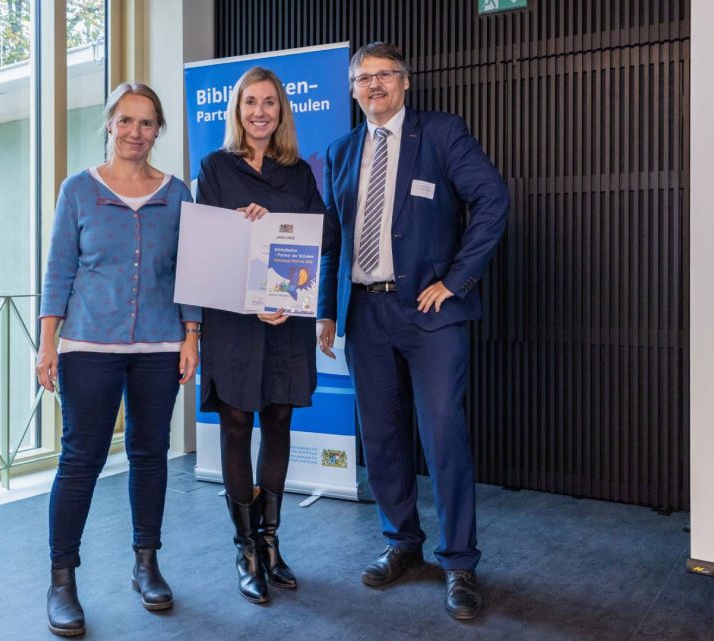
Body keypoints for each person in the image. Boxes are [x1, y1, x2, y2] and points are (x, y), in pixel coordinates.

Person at [316, 42, 509, 621]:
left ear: (404, 82)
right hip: (365, 314)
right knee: (381, 435)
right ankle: (402, 543)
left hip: (431, 316)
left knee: (444, 433)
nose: (373, 86)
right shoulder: (341, 150)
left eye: (383, 76)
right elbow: (332, 239)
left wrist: (457, 279)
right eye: (362, 78)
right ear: (351, 91)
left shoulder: (443, 133)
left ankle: (459, 562)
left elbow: (492, 199)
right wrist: (326, 310)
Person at [36, 82, 201, 637]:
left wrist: (191, 334)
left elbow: (189, 271)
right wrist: (48, 343)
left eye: (147, 123)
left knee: (150, 454)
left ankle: (146, 564)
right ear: (109, 124)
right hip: (88, 347)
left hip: (158, 346)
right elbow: (59, 269)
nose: (135, 132)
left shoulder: (177, 194)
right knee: (80, 460)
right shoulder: (78, 191)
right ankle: (62, 580)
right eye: (125, 121)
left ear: (159, 131)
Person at [194, 65, 338, 604]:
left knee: (278, 419)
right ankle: (245, 549)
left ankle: (271, 543)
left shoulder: (299, 171)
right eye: (250, 102)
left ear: (282, 111)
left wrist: (274, 226)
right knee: (236, 424)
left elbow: (322, 236)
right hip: (234, 319)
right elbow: (206, 245)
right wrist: (240, 226)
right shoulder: (215, 167)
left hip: (287, 319)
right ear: (237, 110)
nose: (260, 111)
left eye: (270, 103)